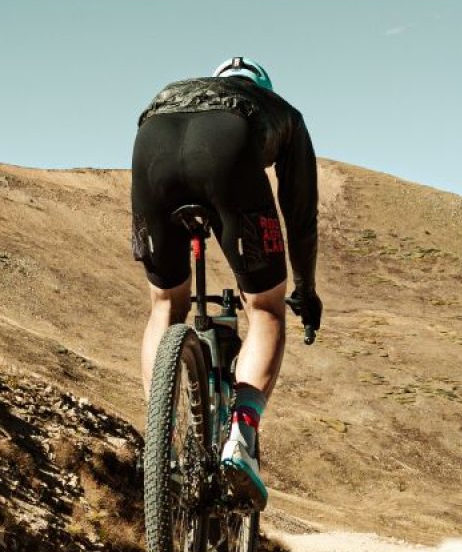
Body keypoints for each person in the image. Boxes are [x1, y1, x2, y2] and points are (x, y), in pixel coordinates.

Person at [129, 57, 322, 510]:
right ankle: (241, 433)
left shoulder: (175, 90)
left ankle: (163, 437)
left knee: (164, 303)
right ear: (263, 88)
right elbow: (301, 214)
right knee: (265, 310)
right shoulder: (281, 112)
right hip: (227, 146)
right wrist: (305, 290)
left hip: (151, 141)